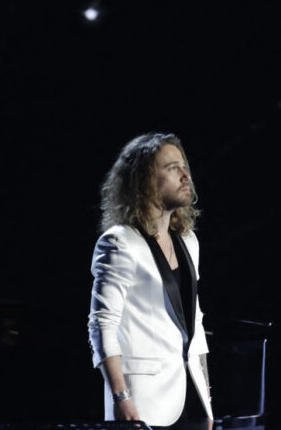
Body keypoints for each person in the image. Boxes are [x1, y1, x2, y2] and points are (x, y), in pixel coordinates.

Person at [87, 133, 213, 429]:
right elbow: (102, 325)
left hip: (189, 397)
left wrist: (205, 392)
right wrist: (122, 398)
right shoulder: (120, 243)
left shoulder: (188, 241)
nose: (185, 175)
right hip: (143, 403)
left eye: (184, 166)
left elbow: (195, 322)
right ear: (143, 181)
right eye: (172, 168)